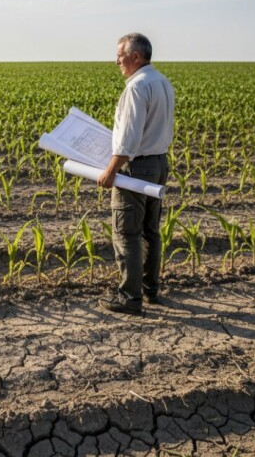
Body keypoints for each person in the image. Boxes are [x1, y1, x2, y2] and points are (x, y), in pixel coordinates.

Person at [97, 32, 175, 316]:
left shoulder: (136, 87)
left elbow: (128, 142)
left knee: (127, 232)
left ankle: (129, 297)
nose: (116, 60)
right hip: (158, 163)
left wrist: (109, 172)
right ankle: (150, 290)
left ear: (136, 56)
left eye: (120, 54)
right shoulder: (162, 82)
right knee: (150, 231)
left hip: (136, 167)